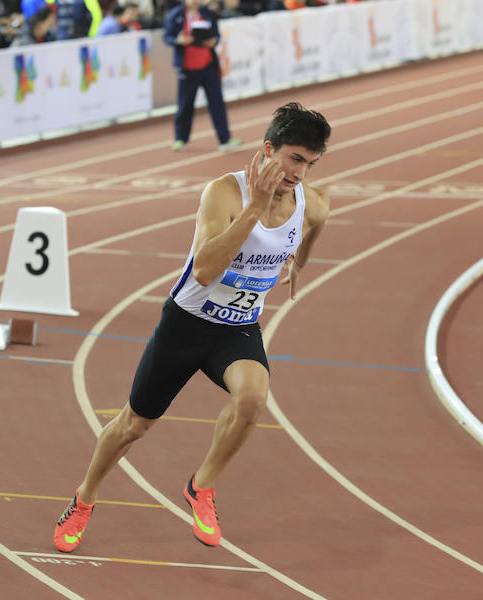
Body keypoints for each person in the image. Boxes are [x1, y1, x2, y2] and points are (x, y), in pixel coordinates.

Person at [53, 102, 331, 552]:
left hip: (237, 329)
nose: (300, 173)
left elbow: (317, 223)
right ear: (268, 149)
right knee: (132, 426)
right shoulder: (224, 193)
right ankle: (84, 500)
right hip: (185, 326)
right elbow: (204, 270)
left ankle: (202, 487)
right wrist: (254, 209)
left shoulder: (312, 202)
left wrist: (299, 261)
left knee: (254, 396)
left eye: (311, 163)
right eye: (294, 159)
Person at [163, 0, 241, 152]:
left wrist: (213, 41)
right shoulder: (176, 14)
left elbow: (217, 35)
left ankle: (225, 139)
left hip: (208, 66)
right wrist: (178, 40)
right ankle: (180, 138)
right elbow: (167, 37)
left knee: (217, 102)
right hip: (187, 68)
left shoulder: (208, 13)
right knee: (185, 104)